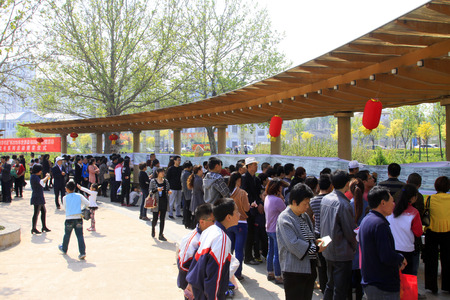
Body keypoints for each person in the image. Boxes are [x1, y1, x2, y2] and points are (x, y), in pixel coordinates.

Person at [277, 183, 327, 300]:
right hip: (294, 271)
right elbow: (293, 244)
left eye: (308, 203)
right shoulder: (285, 218)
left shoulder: (303, 216)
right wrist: (317, 248)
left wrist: (316, 242)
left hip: (308, 268)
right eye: (305, 203)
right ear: (294, 202)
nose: (307, 207)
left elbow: (309, 236)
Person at [185, 198, 240, 300]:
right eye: (236, 211)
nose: (239, 214)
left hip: (197, 290)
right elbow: (215, 275)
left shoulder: (210, 230)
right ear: (228, 217)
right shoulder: (222, 238)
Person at [359, 186, 407, 299]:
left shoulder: (367, 219)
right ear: (383, 203)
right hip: (382, 285)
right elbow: (386, 256)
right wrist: (400, 258)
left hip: (371, 281)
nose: (394, 204)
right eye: (392, 201)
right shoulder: (380, 225)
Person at [320, 170, 357, 300]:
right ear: (347, 184)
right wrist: (354, 246)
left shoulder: (326, 199)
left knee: (330, 284)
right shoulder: (344, 204)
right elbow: (349, 231)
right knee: (340, 289)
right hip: (341, 251)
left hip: (327, 247)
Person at [177, 203, 214, 293]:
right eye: (213, 221)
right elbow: (183, 265)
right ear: (202, 222)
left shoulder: (210, 235)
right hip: (193, 287)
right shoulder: (192, 241)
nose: (215, 224)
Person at [386, 184, 422, 277]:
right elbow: (418, 232)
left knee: (393, 276)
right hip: (407, 249)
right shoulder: (414, 212)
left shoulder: (390, 208)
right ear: (413, 198)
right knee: (407, 277)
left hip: (391, 248)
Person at [424, 176, 450, 294]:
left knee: (431, 260)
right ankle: (447, 286)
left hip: (432, 231)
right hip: (448, 232)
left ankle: (432, 286)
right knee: (448, 260)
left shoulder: (429, 199)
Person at [310, 174, 333, 294]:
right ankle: (330, 288)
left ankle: (324, 288)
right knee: (330, 263)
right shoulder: (330, 200)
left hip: (317, 233)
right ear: (331, 186)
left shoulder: (313, 201)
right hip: (328, 235)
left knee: (321, 264)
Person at [264, 178, 289, 284]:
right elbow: (286, 211)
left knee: (270, 252)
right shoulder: (277, 200)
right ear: (277, 188)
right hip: (276, 230)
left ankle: (270, 272)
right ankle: (278, 276)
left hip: (268, 228)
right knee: (277, 254)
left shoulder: (267, 198)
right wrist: (282, 198)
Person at [227, 171, 250, 281]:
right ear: (238, 180)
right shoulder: (242, 193)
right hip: (241, 222)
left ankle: (227, 270)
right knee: (239, 250)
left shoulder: (227, 192)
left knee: (229, 249)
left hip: (229, 222)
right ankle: (238, 273)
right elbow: (246, 208)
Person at [58, 181, 90, 260]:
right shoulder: (79, 195)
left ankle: (64, 248)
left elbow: (65, 208)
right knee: (79, 235)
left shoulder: (64, 198)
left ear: (66, 189)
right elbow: (88, 203)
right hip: (78, 218)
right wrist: (82, 209)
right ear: (75, 188)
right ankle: (82, 252)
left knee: (67, 234)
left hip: (69, 218)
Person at [241, 157, 262, 265]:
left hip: (255, 209)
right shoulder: (244, 178)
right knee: (249, 234)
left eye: (256, 164)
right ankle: (248, 257)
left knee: (254, 233)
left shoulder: (257, 179)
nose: (256, 166)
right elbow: (244, 194)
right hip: (247, 210)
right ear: (248, 166)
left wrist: (258, 203)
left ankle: (252, 255)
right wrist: (251, 203)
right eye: (254, 164)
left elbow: (258, 194)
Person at [348, 178, 366, 300]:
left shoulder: (347, 205)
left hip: (350, 245)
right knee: (361, 277)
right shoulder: (367, 205)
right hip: (363, 245)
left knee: (349, 276)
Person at [149, 168, 171, 241]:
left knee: (162, 219)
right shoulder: (153, 181)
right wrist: (156, 190)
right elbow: (150, 191)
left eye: (163, 172)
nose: (163, 173)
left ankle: (161, 234)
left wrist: (169, 192)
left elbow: (168, 189)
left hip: (164, 201)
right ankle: (153, 229)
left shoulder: (166, 181)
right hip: (156, 202)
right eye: (161, 172)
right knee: (155, 218)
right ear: (157, 173)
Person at [30, 164, 51, 234]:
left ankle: (43, 226)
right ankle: (33, 228)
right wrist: (47, 177)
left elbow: (42, 183)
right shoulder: (34, 177)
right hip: (37, 196)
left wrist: (46, 177)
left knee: (43, 211)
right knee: (36, 213)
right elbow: (41, 183)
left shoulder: (35, 176)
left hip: (39, 196)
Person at [181, 161, 194, 228]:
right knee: (188, 209)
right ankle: (187, 222)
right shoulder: (187, 174)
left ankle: (185, 221)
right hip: (188, 193)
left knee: (186, 208)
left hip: (185, 192)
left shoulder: (183, 172)